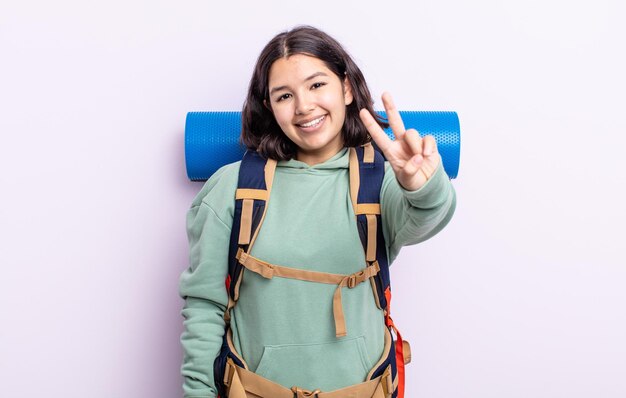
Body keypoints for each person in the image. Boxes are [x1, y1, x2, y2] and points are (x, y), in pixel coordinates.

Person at [179, 25, 456, 398]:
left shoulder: (380, 182)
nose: (304, 106)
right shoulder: (232, 187)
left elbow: (428, 216)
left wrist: (422, 185)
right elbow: (204, 307)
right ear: (269, 107)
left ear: (345, 88)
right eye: (284, 96)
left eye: (316, 85)